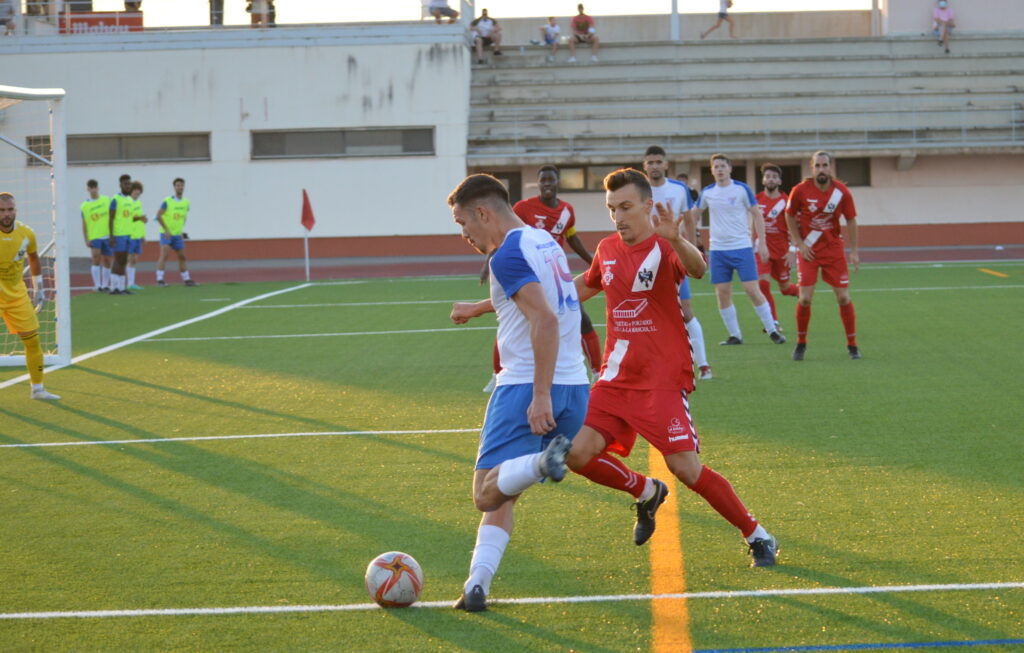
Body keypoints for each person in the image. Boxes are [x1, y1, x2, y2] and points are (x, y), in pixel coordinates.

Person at [563, 169, 778, 567]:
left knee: (686, 468)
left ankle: (757, 535)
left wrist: (677, 237)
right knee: (576, 453)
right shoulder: (607, 249)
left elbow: (697, 270)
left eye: (626, 207)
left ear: (647, 206)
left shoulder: (666, 246)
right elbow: (583, 287)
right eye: (612, 209)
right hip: (615, 380)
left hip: (661, 380)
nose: (619, 217)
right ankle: (646, 491)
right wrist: (513, 300)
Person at [447, 174, 590, 612]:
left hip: (527, 384)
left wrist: (539, 395)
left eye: (462, 223)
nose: (464, 234)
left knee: (485, 493)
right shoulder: (543, 242)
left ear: (483, 213)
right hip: (575, 384)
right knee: (507, 489)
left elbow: (543, 319)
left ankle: (541, 462)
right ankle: (477, 584)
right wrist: (479, 306)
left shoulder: (505, 255)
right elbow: (535, 296)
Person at [512, 165, 603, 378]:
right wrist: (491, 260)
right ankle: (499, 373)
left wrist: (594, 261)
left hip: (557, 276)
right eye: (542, 180)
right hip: (530, 276)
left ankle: (598, 372)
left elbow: (571, 237)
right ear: (538, 183)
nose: (547, 184)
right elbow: (508, 235)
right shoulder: (523, 208)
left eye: (550, 180)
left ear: (557, 182)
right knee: (516, 323)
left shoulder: (567, 211)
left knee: (583, 320)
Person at [690, 154, 785, 346]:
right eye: (715, 166)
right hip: (718, 251)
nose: (719, 169)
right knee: (723, 292)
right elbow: (692, 216)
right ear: (712, 170)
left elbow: (757, 215)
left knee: (752, 290)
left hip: (742, 248)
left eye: (723, 166)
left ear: (730, 168)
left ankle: (772, 329)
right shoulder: (708, 192)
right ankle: (735, 335)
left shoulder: (742, 189)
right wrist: (694, 240)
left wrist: (763, 243)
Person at [642, 146, 712, 381]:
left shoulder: (679, 189)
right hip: (646, 261)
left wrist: (691, 251)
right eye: (650, 162)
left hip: (674, 258)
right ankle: (652, 366)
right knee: (646, 314)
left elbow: (690, 221)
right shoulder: (639, 189)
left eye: (658, 161)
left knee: (686, 311)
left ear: (665, 165)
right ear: (645, 166)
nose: (654, 166)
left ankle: (703, 365)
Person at [784, 151, 860, 361]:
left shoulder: (841, 192)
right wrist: (799, 244)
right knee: (805, 298)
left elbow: (851, 220)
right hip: (809, 251)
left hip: (833, 250)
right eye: (817, 165)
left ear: (830, 167)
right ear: (812, 168)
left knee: (843, 297)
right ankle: (801, 343)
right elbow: (789, 216)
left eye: (825, 165)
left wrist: (854, 251)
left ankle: (852, 345)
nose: (821, 169)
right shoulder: (799, 190)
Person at [0, 193, 60, 400]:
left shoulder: (26, 233)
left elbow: (33, 257)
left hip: (16, 294)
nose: (6, 214)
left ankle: (38, 389)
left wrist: (39, 288)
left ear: (15, 210)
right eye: (2, 210)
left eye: (10, 210)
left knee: (33, 341)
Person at [754, 163, 799, 327]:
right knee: (763, 283)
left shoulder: (786, 201)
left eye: (774, 177)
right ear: (763, 180)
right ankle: (773, 322)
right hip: (762, 249)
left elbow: (794, 227)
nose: (770, 179)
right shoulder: (756, 199)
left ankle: (800, 291)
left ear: (779, 181)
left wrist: (793, 250)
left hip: (781, 251)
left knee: (785, 288)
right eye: (768, 176)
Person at [155, 178, 197, 287]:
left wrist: (181, 232)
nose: (180, 187)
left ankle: (187, 279)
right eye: (178, 185)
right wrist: (166, 229)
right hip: (166, 234)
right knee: (164, 255)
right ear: (174, 187)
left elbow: (183, 218)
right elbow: (158, 216)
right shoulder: (167, 201)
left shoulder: (186, 202)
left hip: (177, 235)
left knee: (182, 256)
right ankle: (160, 279)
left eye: (182, 185)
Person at [80, 179, 112, 293]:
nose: (93, 189)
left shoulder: (106, 200)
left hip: (107, 235)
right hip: (94, 236)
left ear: (98, 188)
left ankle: (105, 285)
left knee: (107, 260)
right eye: (91, 187)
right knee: (96, 258)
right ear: (88, 189)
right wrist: (86, 238)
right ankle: (97, 285)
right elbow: (84, 224)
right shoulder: (85, 206)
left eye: (95, 187)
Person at [108, 174, 135, 295]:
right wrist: (111, 235)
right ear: (120, 185)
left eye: (129, 184)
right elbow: (111, 218)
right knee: (118, 260)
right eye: (125, 184)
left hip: (128, 234)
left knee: (124, 260)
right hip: (118, 235)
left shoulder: (130, 200)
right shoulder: (116, 199)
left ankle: (122, 287)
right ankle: (114, 288)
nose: (128, 186)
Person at [126, 180, 147, 291]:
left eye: (139, 191)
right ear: (131, 191)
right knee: (129, 258)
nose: (137, 192)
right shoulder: (127, 202)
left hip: (138, 235)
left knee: (135, 259)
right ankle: (127, 282)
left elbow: (140, 220)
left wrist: (143, 235)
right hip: (130, 234)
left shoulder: (139, 203)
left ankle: (132, 282)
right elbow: (128, 218)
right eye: (135, 190)